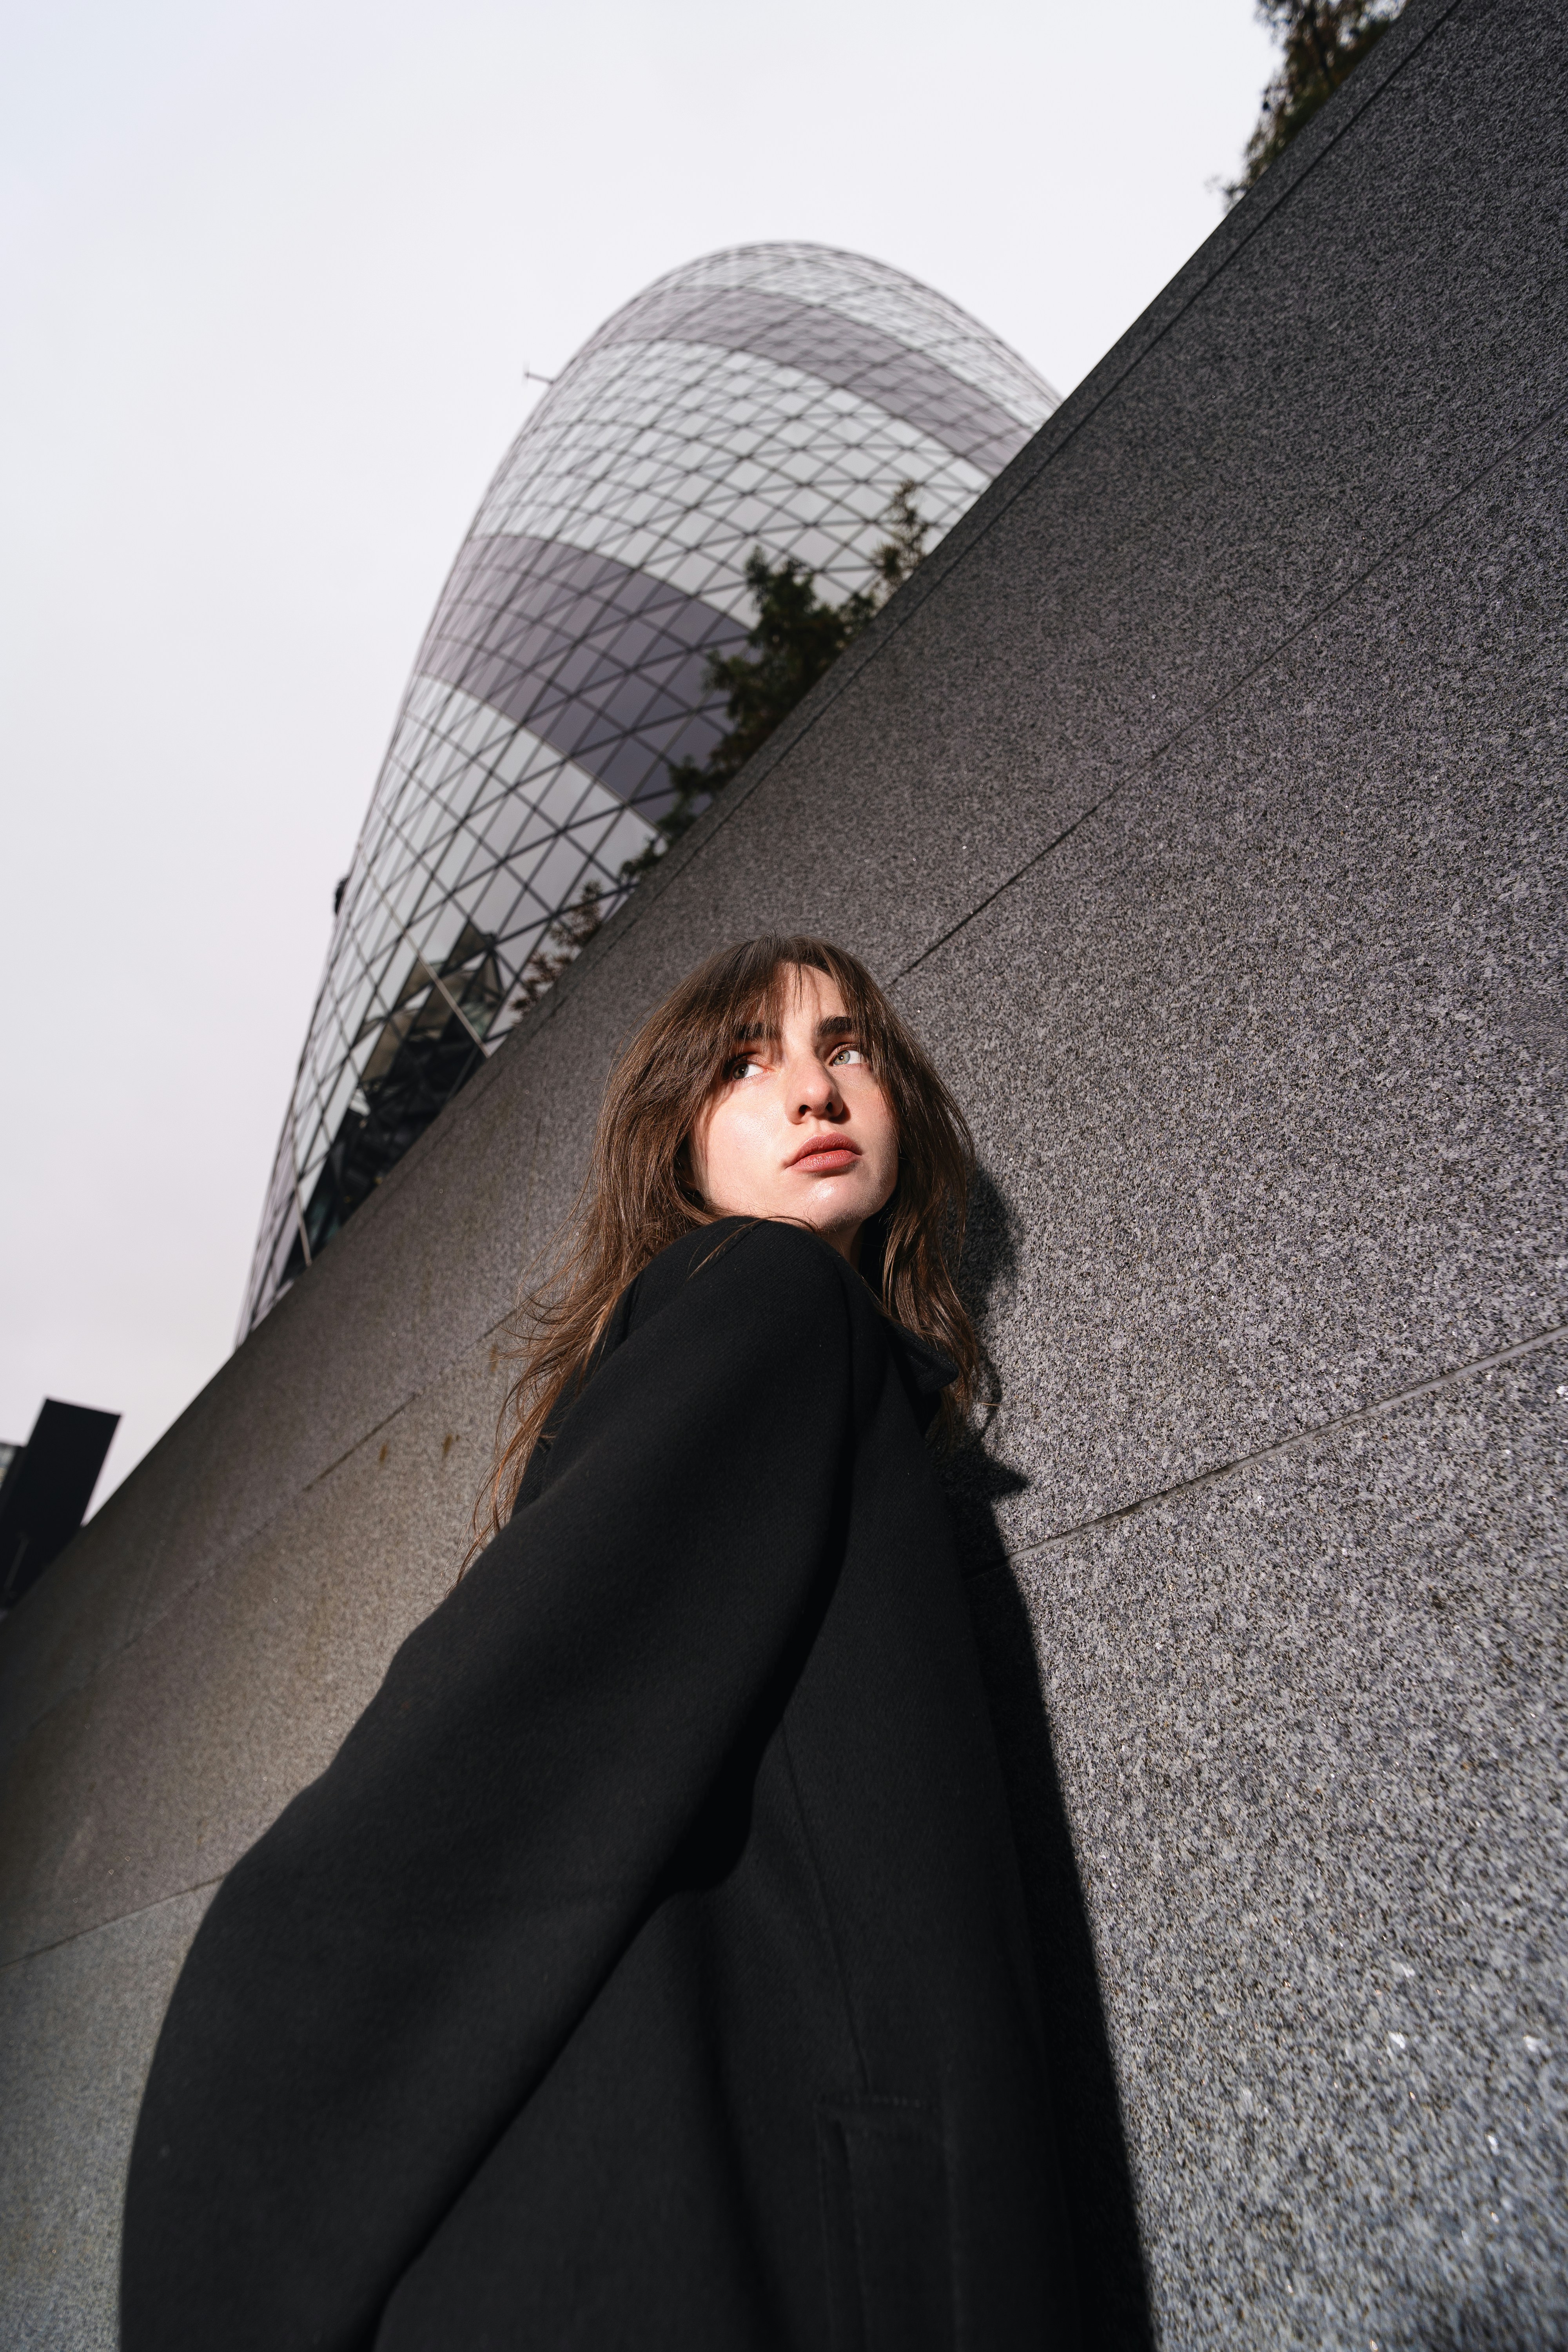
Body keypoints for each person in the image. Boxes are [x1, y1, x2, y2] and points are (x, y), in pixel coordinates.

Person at [122, 933, 1080, 2350]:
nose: (815, 1092)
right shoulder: (766, 1295)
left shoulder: (799, 1353)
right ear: (677, 1147)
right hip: (701, 2236)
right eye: (748, 1063)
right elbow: (497, 1742)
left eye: (848, 1049)